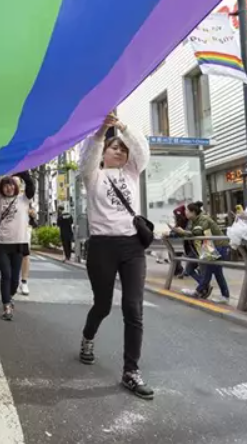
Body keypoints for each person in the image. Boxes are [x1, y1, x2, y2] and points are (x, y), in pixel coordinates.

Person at [78, 113, 153, 400]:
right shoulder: (93, 175)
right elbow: (87, 157)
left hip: (132, 246)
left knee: (133, 308)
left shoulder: (133, 171)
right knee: (103, 305)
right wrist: (101, 132)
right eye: (114, 147)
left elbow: (142, 148)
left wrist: (122, 127)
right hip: (102, 246)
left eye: (123, 148)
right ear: (104, 153)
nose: (120, 150)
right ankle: (88, 337)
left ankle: (131, 371)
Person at [0, 172, 35, 320]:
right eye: (5, 186)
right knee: (6, 275)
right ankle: (6, 305)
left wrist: (20, 170)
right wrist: (0, 168)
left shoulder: (24, 199)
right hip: (2, 242)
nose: (8, 188)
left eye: (10, 185)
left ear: (15, 186)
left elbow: (30, 184)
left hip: (19, 242)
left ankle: (10, 296)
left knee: (15, 278)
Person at [176, 202, 230, 305]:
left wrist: (183, 232)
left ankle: (200, 291)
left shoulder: (203, 219)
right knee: (216, 272)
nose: (185, 213)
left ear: (193, 212)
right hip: (209, 248)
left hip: (218, 247)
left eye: (187, 211)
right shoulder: (194, 221)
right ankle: (221, 295)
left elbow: (198, 232)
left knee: (211, 271)